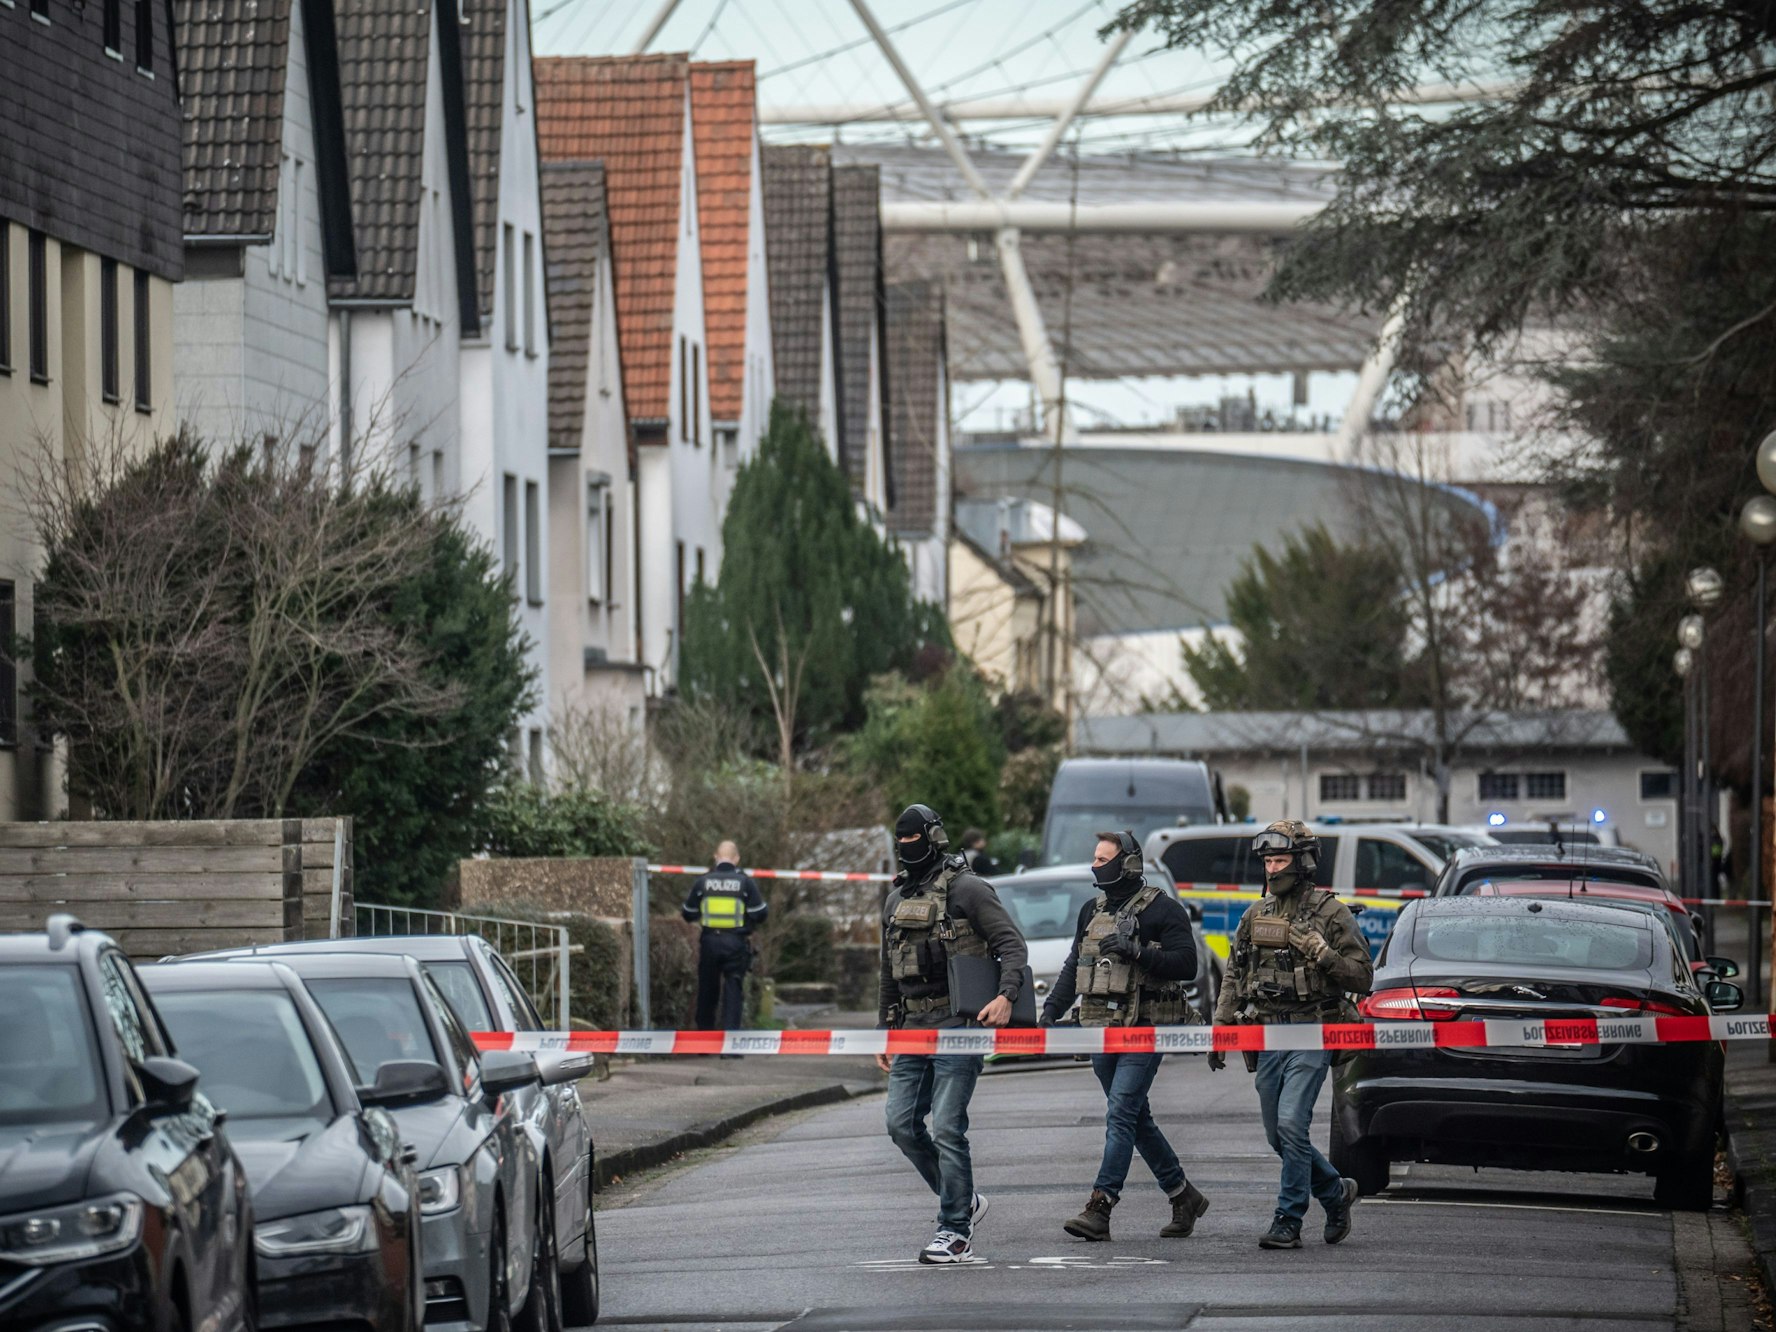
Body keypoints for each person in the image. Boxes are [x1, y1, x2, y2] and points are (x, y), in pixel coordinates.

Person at [877, 803, 1029, 1265]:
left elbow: (1011, 944)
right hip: (910, 1029)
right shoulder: (896, 897)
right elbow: (887, 968)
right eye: (900, 842)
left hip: (958, 1026)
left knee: (945, 1125)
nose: (907, 849)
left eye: (913, 840)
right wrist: (885, 1028)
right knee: (900, 1125)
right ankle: (960, 1198)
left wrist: (1005, 995)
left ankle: (955, 1229)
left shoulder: (968, 888)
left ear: (934, 838)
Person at [1211, 819, 1373, 1250]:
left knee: (1290, 1124)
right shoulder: (1255, 914)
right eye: (1267, 860)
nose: (1271, 868)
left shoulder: (1331, 913)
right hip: (1266, 1035)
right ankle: (1335, 1193)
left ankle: (1289, 1218)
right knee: (1276, 1134)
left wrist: (1323, 954)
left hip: (1312, 1032)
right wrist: (1222, 1027)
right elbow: (1235, 972)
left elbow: (1363, 976)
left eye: (1280, 859)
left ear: (1302, 862)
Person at [1041, 831, 1210, 1242]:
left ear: (1127, 864)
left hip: (1144, 1028)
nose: (1095, 865)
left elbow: (1188, 964)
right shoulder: (1091, 910)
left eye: (1103, 858)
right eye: (1094, 858)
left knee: (1120, 1112)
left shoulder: (1163, 910)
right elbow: (1073, 965)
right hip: (1101, 1029)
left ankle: (1100, 1207)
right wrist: (1049, 1014)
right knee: (1136, 1118)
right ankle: (1182, 1194)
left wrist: (1138, 951)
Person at [681, 842, 768, 1034]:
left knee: (707, 991)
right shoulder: (745, 882)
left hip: (710, 941)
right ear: (736, 859)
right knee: (733, 991)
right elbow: (760, 913)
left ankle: (704, 1043)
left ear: (715, 857)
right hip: (735, 943)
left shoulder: (703, 882)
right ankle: (730, 1045)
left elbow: (688, 913)